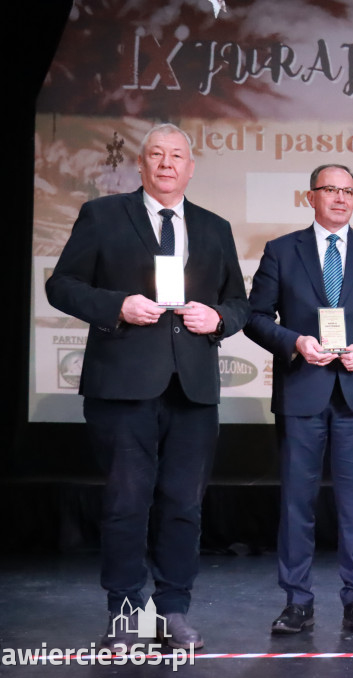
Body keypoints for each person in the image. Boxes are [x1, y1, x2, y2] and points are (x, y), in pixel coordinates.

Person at [45, 122, 249, 650]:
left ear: (190, 167)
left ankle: (173, 611)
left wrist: (219, 318)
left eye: (176, 156)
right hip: (122, 385)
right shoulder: (103, 216)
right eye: (156, 154)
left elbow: (240, 304)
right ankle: (125, 613)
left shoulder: (214, 226)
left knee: (183, 503)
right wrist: (116, 305)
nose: (166, 164)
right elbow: (61, 285)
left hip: (193, 388)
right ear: (140, 164)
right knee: (126, 502)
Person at [245, 164, 353, 636]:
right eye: (330, 190)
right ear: (310, 196)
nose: (340, 198)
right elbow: (256, 317)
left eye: (348, 191)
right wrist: (295, 342)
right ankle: (297, 601)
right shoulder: (281, 250)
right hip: (302, 389)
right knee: (297, 502)